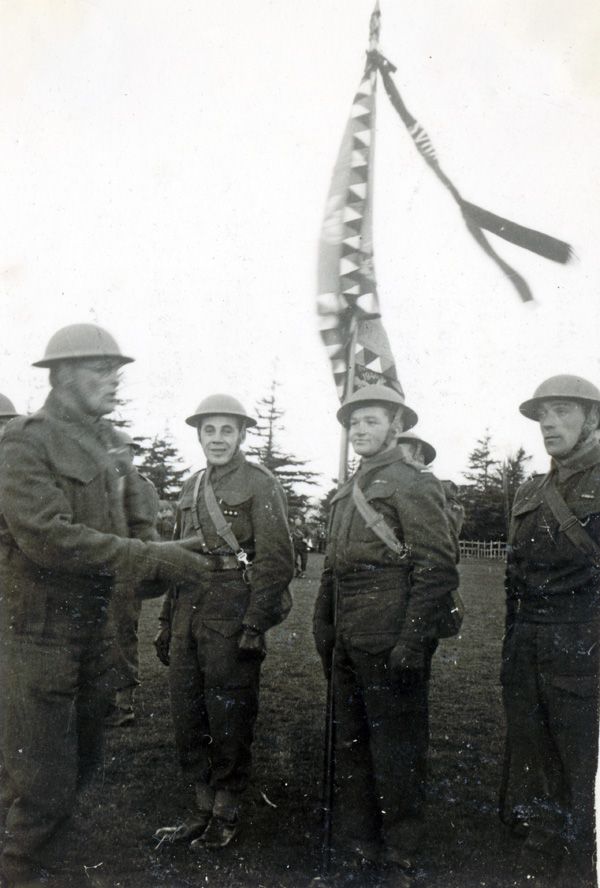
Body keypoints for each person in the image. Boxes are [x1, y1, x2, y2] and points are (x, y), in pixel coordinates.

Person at [0, 323, 211, 888]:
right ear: (63, 375)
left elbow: (138, 539)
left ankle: (41, 867)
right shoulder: (24, 440)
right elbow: (46, 537)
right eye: (102, 370)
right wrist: (154, 557)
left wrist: (171, 559)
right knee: (40, 784)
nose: (115, 380)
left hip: (97, 637)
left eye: (118, 370)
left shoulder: (115, 445)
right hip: (35, 637)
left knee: (78, 770)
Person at [312, 384, 459, 888]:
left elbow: (436, 566)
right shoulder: (348, 488)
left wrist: (413, 640)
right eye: (354, 423)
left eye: (371, 421)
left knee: (396, 747)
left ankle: (401, 853)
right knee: (350, 745)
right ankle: (359, 845)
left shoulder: (410, 482)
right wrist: (324, 628)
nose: (360, 431)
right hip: (348, 636)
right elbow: (333, 569)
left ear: (395, 425)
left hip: (391, 635)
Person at [153, 394, 294, 851]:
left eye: (226, 431)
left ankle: (226, 811)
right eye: (209, 431)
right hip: (187, 611)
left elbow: (275, 561)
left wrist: (254, 624)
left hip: (232, 612)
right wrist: (163, 621)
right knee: (187, 716)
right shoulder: (190, 487)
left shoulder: (260, 483)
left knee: (229, 715)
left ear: (241, 435)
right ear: (199, 435)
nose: (217, 439)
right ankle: (199, 810)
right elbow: (177, 558)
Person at [501, 375, 600, 887]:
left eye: (561, 412)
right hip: (528, 644)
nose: (548, 424)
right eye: (543, 415)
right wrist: (510, 649)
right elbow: (513, 578)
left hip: (584, 644)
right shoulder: (529, 490)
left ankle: (581, 869)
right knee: (533, 760)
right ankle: (540, 856)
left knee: (582, 772)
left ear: (592, 419)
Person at [105, 430, 161, 728]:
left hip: (125, 572)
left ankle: (124, 703)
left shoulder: (142, 487)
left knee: (122, 635)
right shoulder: (100, 482)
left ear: (131, 453)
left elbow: (143, 530)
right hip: (98, 572)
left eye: (119, 451)